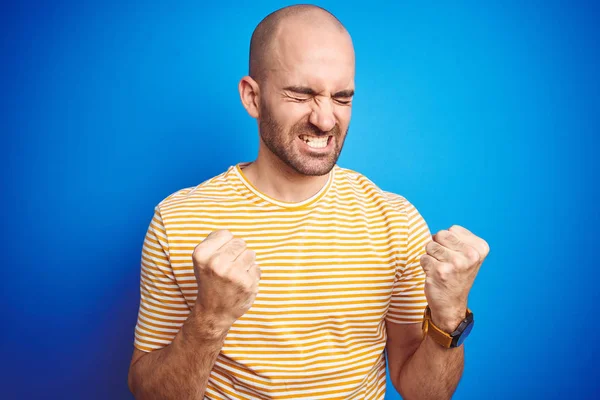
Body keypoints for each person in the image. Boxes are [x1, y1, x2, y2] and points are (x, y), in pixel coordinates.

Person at [127, 4, 490, 399]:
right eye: (302, 94)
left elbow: (426, 393)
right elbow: (150, 394)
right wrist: (210, 320)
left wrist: (450, 314)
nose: (325, 119)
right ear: (252, 97)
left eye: (342, 97)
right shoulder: (178, 219)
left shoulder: (395, 221)